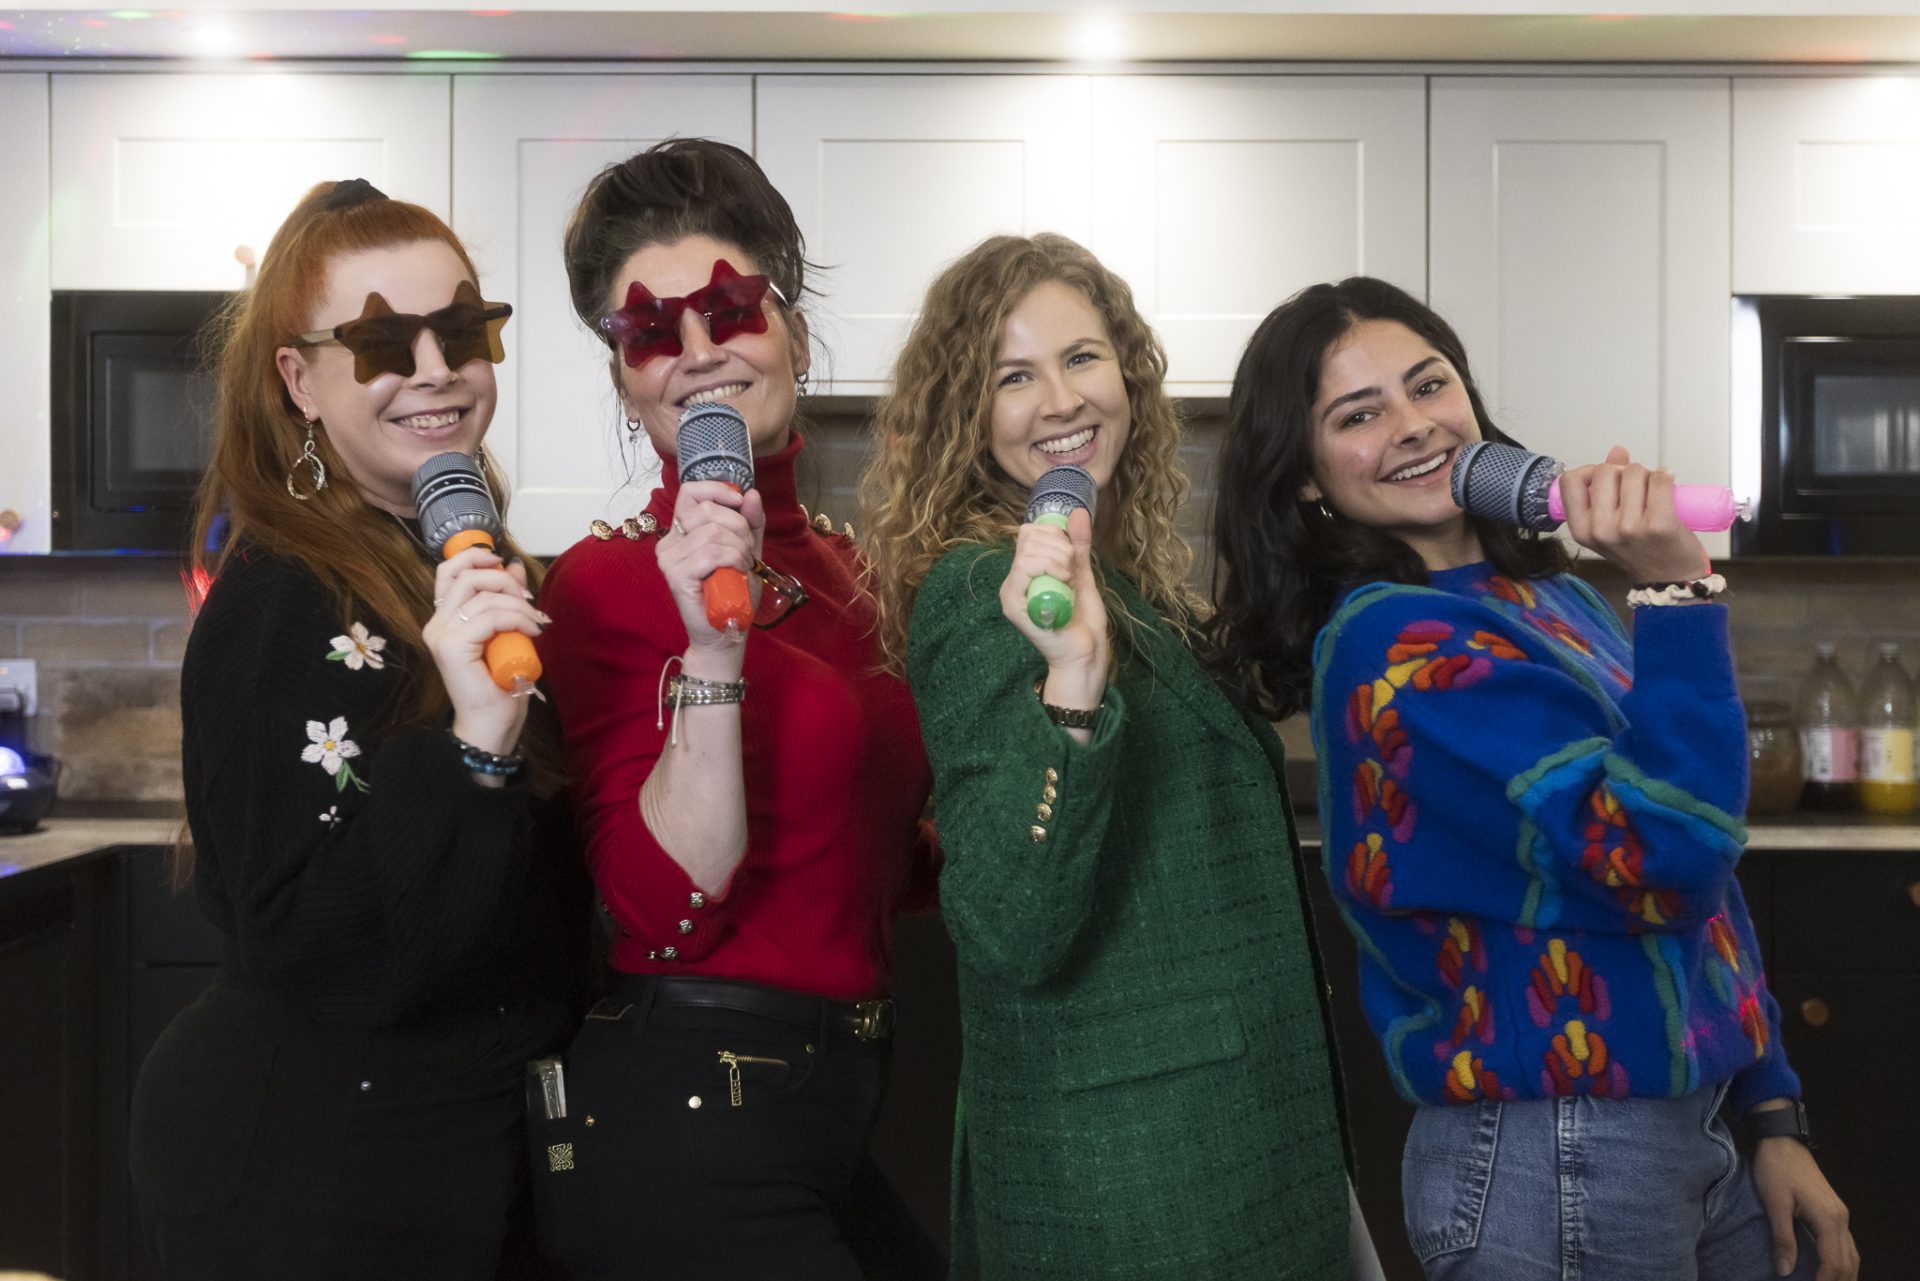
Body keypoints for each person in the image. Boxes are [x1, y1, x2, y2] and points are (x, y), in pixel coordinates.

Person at [1206, 275, 1860, 1281]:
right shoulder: (1396, 642)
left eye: (1430, 384)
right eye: (1359, 414)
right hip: (1555, 1149)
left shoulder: (1554, 598)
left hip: (1693, 1125)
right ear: (1304, 476)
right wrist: (1675, 588)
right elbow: (1666, 852)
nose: (1414, 424)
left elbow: (1708, 893)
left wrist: (1772, 1110)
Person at [859, 232, 1351, 1280]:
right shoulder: (984, 591)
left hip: (1224, 1147)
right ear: (966, 415)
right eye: (1012, 377)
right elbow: (1008, 922)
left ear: (1126, 372)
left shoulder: (1127, 583)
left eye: (1082, 357)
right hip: (1136, 1180)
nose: (1061, 399)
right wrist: (1074, 684)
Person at [128, 179, 590, 1279]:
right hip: (316, 1162)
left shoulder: (462, 566)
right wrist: (471, 744)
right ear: (300, 379)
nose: (436, 368)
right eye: (384, 341)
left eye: (462, 330)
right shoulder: (277, 598)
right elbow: (309, 939)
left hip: (458, 1145)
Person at [534, 138, 941, 1280]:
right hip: (685, 1112)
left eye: (728, 310)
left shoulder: (864, 576)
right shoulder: (607, 584)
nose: (700, 352)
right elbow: (658, 907)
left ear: (792, 330)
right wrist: (714, 646)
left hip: (835, 1106)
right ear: (627, 380)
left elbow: (872, 857)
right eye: (652, 332)